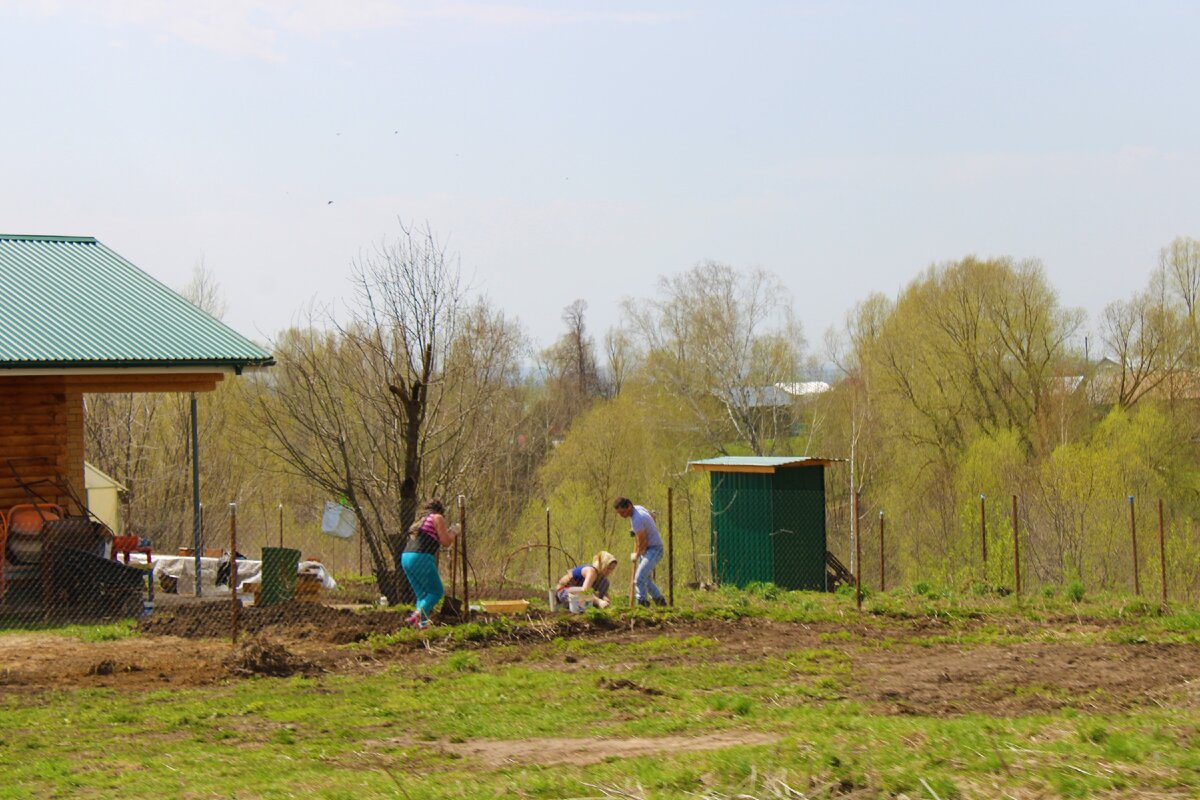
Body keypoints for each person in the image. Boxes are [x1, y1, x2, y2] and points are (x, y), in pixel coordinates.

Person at [400, 498, 457, 628]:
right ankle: (416, 616)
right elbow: (446, 542)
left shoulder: (420, 521)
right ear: (440, 510)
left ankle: (423, 625)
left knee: (422, 595)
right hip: (421, 556)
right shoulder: (437, 517)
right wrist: (454, 532)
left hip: (406, 557)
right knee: (436, 592)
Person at [613, 496, 667, 606]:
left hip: (654, 549)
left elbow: (643, 543)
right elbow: (652, 515)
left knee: (639, 578)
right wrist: (637, 530)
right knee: (646, 580)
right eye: (619, 513)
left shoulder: (637, 519)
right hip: (649, 548)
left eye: (622, 512)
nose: (621, 516)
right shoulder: (638, 508)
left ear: (629, 506)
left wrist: (636, 555)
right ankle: (660, 602)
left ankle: (642, 603)